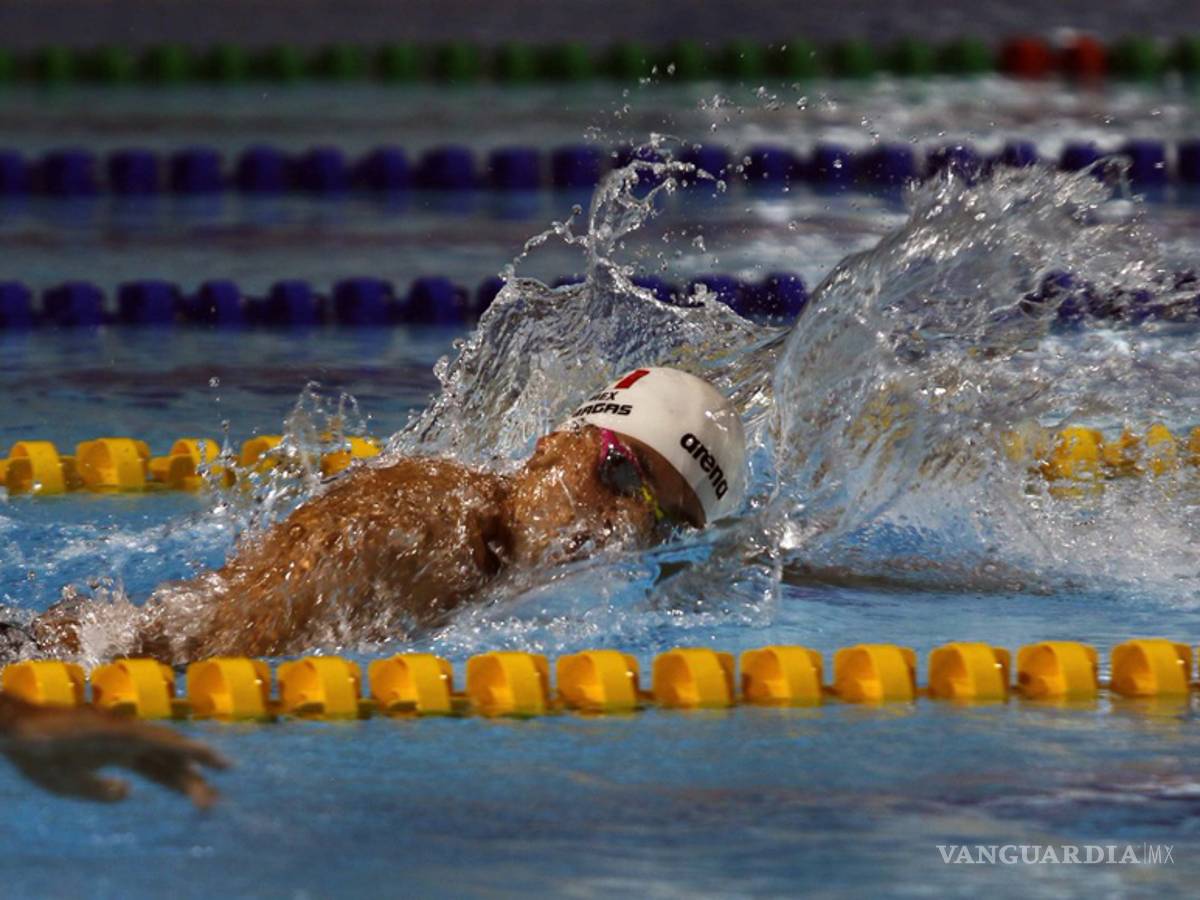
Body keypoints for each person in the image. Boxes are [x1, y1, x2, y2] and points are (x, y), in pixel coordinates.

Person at [25, 367, 748, 667]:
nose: (617, 526)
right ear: (551, 445)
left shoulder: (497, 573)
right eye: (618, 473)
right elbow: (210, 651)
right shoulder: (425, 524)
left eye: (657, 524)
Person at [0, 691, 227, 807]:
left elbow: (123, 731)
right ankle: (193, 772)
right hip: (23, 739)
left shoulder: (41, 729)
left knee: (118, 741)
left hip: (28, 732)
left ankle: (193, 766)